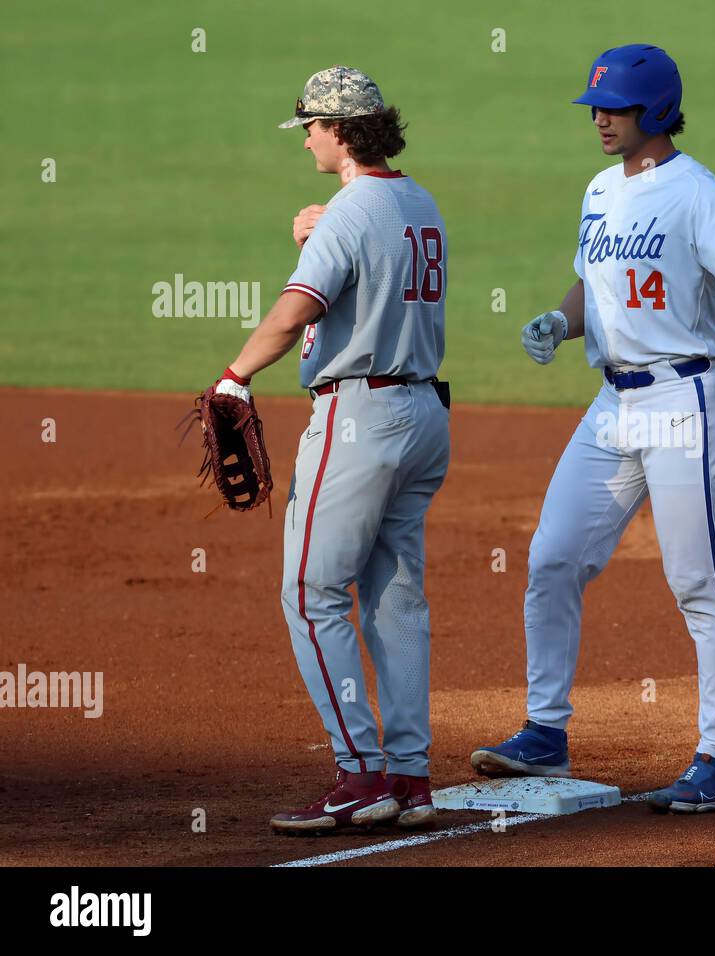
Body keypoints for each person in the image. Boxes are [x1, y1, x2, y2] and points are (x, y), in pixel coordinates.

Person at [469, 44, 715, 813]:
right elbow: (594, 281)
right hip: (613, 407)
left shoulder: (697, 192)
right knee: (552, 558)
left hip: (687, 405)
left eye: (613, 109)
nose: (600, 122)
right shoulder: (598, 189)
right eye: (595, 109)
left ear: (654, 111)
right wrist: (560, 319)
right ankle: (545, 729)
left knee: (699, 584)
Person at [215, 65, 451, 833]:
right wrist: (322, 233)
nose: (307, 138)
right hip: (423, 416)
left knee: (313, 596)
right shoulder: (418, 200)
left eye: (312, 125)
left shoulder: (351, 212)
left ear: (342, 131)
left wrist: (235, 376)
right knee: (394, 597)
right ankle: (411, 779)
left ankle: (360, 773)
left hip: (359, 421)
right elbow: (371, 274)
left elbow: (294, 313)